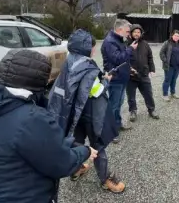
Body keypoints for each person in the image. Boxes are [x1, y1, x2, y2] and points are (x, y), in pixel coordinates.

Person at [0, 49, 96, 203]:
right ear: (40, 82)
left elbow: (27, 144)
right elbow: (62, 164)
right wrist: (85, 151)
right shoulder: (32, 119)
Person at [47, 30, 125, 193]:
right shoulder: (88, 67)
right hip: (90, 113)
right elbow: (95, 91)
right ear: (85, 48)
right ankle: (105, 180)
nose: (94, 50)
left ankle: (77, 168)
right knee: (98, 146)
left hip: (72, 114)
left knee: (76, 142)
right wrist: (106, 81)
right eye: (92, 46)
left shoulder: (69, 61)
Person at [100, 19, 136, 132]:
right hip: (115, 79)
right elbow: (118, 58)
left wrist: (129, 69)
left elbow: (124, 60)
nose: (128, 34)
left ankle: (117, 124)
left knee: (119, 103)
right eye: (127, 31)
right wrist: (130, 49)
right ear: (120, 29)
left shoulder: (119, 40)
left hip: (122, 77)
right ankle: (110, 130)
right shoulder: (110, 42)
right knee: (113, 105)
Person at [125, 24, 158, 122]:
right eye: (135, 32)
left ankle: (151, 110)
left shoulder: (145, 44)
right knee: (131, 96)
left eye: (138, 32)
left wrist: (152, 69)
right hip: (131, 76)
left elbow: (150, 57)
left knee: (148, 94)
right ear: (131, 33)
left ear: (141, 34)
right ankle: (133, 111)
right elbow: (122, 59)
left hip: (143, 74)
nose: (136, 34)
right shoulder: (126, 44)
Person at [159, 29, 179, 100]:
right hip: (169, 66)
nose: (176, 37)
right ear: (172, 35)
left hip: (177, 66)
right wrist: (165, 61)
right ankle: (165, 94)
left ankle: (173, 93)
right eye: (175, 35)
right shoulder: (167, 43)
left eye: (178, 36)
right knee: (167, 80)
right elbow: (161, 53)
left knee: (174, 80)